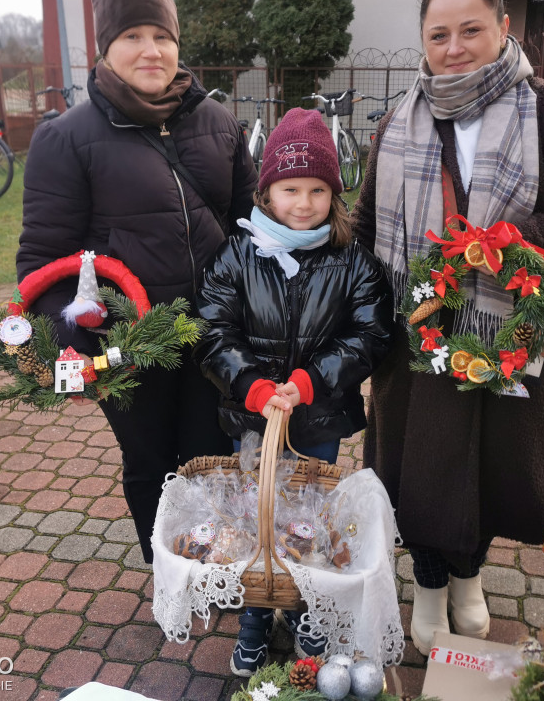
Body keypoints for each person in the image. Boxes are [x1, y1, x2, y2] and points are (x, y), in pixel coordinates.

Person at [352, 0, 544, 654]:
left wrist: (512, 244)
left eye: (469, 30)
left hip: (504, 329)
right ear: (422, 40)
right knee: (419, 464)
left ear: (503, 27)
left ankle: (470, 578)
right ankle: (431, 584)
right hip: (411, 332)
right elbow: (362, 227)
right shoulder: (396, 123)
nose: (453, 48)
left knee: (486, 461)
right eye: (438, 34)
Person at [16, 0, 257, 565]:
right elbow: (44, 261)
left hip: (213, 334)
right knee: (149, 460)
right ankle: (169, 573)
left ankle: (213, 564)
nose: (151, 50)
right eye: (132, 37)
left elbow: (251, 225)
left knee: (210, 457)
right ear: (105, 49)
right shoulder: (66, 138)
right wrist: (83, 338)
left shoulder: (217, 121)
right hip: (131, 345)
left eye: (163, 37)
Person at [193, 108, 394, 676]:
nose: (303, 203)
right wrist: (252, 387)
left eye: (317, 190)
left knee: (309, 521)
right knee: (255, 519)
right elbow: (212, 330)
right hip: (253, 421)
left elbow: (371, 333)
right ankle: (256, 614)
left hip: (319, 422)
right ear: (266, 191)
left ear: (334, 192)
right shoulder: (238, 254)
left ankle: (306, 608)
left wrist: (309, 382)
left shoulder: (352, 260)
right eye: (289, 189)